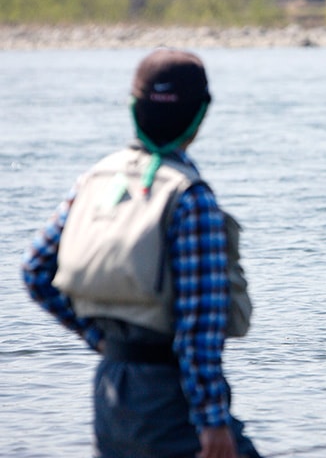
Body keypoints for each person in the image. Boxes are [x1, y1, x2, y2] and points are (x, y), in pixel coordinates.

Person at [21, 49, 261, 458]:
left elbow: (35, 271)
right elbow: (198, 328)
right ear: (200, 116)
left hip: (110, 390)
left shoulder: (95, 178)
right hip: (172, 397)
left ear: (135, 107)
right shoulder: (191, 198)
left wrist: (98, 339)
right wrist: (212, 420)